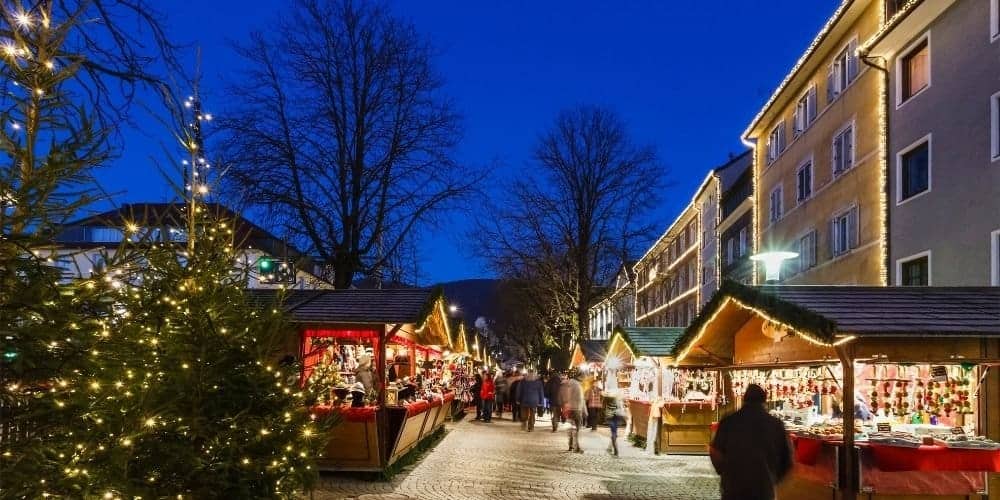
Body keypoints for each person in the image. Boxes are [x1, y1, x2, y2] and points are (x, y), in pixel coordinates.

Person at [710, 383, 792, 500]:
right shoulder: (776, 425)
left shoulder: (729, 421)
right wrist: (773, 478)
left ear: (744, 399)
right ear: (764, 400)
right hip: (763, 489)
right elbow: (787, 461)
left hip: (734, 488)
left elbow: (715, 452)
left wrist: (724, 471)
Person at [559, 370, 587, 453]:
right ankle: (577, 447)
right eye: (583, 377)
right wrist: (585, 411)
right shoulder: (578, 385)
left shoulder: (567, 383)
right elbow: (581, 399)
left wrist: (564, 406)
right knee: (577, 429)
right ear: (580, 377)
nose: (584, 379)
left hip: (568, 409)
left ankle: (571, 445)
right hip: (576, 409)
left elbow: (562, 396)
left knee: (570, 427)